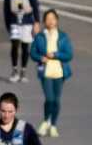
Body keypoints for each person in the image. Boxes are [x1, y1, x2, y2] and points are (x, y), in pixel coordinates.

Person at [30, 9, 73, 137]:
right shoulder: (40, 36)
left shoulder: (63, 36)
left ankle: (53, 125)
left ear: (57, 20)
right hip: (46, 71)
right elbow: (33, 53)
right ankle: (45, 121)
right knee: (49, 98)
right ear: (44, 21)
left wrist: (55, 54)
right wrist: (40, 58)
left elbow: (69, 55)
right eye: (48, 19)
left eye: (53, 19)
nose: (50, 21)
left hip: (59, 71)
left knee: (56, 100)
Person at [2, 0, 40, 83]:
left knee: (25, 47)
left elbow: (35, 6)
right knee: (14, 45)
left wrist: (37, 22)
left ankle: (23, 71)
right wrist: (7, 24)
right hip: (14, 21)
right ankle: (14, 70)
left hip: (27, 22)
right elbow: (6, 9)